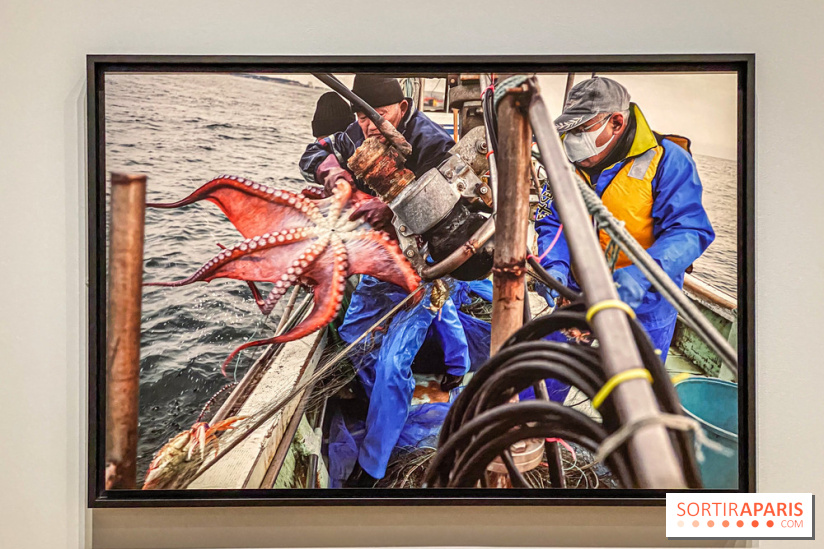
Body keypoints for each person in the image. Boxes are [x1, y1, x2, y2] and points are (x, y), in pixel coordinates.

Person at [299, 75, 484, 487]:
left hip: (423, 265)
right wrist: (334, 176)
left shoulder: (432, 141)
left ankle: (373, 466)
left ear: (401, 106)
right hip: (378, 261)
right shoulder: (356, 129)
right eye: (361, 117)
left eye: (377, 116)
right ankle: (415, 385)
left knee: (393, 362)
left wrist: (394, 210)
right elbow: (315, 151)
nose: (368, 126)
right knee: (352, 334)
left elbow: (454, 207)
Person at [534, 77, 715, 399]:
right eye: (568, 132)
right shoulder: (568, 165)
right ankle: (543, 432)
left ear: (616, 122)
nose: (572, 141)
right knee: (547, 376)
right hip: (576, 292)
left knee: (638, 395)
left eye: (581, 130)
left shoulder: (668, 160)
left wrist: (638, 275)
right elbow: (554, 221)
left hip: (646, 298)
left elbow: (690, 231)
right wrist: (554, 267)